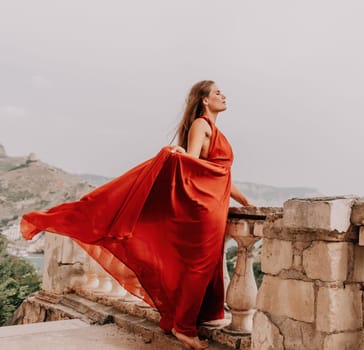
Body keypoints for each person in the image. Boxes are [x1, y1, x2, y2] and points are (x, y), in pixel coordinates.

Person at [20, 80, 252, 350]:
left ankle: (188, 319)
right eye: (217, 92)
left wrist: (245, 201)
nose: (224, 96)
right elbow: (191, 162)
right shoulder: (202, 124)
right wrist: (174, 153)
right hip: (204, 207)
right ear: (204, 100)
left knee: (207, 264)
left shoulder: (215, 129)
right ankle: (184, 328)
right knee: (198, 266)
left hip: (215, 204)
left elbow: (219, 172)